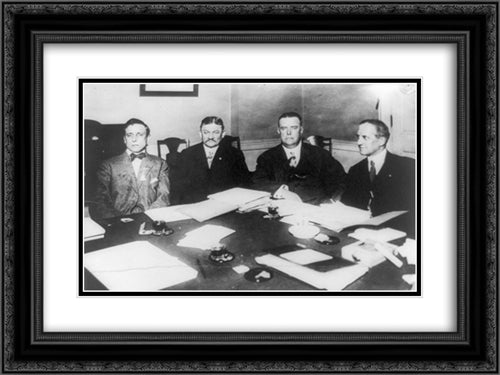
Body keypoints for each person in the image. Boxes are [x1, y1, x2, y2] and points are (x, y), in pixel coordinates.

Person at [253, 112, 346, 203]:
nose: (288, 132)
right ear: (278, 130)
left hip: (317, 210)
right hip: (282, 209)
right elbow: (257, 182)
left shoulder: (320, 155)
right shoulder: (267, 157)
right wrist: (281, 190)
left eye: (294, 128)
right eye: (284, 128)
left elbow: (340, 179)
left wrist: (334, 200)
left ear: (301, 130)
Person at [91, 118, 170, 219]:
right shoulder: (108, 165)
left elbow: (163, 197)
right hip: (119, 224)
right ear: (124, 139)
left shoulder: (160, 164)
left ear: (148, 138)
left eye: (139, 134)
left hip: (151, 219)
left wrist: (150, 218)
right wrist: (117, 222)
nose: (134, 139)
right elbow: (101, 201)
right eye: (130, 135)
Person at [341, 119, 415, 217]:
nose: (359, 142)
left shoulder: (407, 166)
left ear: (381, 141)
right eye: (358, 137)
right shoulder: (355, 170)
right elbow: (347, 205)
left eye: (365, 137)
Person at [171, 116, 251, 204]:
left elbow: (244, 184)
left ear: (223, 134)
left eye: (216, 132)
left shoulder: (234, 154)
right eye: (206, 132)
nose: (210, 136)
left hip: (225, 205)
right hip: (194, 205)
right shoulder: (187, 154)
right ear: (200, 134)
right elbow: (177, 187)